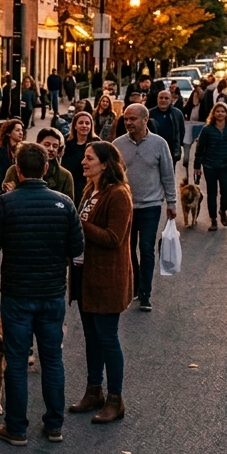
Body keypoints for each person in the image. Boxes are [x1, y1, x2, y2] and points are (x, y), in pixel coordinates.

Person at [0, 143, 84, 446]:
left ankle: (16, 428)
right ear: (45, 168)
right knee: (52, 359)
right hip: (52, 292)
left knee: (16, 360)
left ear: (16, 168)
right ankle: (54, 425)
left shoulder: (5, 203)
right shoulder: (65, 203)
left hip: (17, 293)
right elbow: (77, 249)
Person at [69, 141, 133, 425]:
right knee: (92, 338)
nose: (84, 162)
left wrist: (77, 224)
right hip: (85, 275)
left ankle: (115, 400)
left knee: (107, 338)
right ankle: (93, 390)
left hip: (107, 277)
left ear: (105, 164)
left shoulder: (117, 195)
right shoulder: (89, 191)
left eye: (89, 158)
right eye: (84, 158)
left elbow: (113, 238)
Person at [113, 104, 177, 312]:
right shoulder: (117, 144)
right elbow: (112, 176)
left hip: (150, 206)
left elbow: (167, 174)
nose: (128, 123)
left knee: (147, 249)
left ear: (144, 120)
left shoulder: (159, 144)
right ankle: (134, 286)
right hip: (125, 206)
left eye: (132, 119)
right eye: (126, 119)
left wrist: (172, 202)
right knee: (128, 249)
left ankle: (146, 293)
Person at [194, 101, 227, 230]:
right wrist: (197, 166)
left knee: (226, 192)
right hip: (210, 165)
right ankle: (213, 219)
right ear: (213, 113)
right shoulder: (207, 129)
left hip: (226, 164)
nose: (220, 113)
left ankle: (223, 210)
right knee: (212, 192)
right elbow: (200, 148)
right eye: (218, 111)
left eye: (223, 111)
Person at [2, 128, 74, 199]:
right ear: (38, 144)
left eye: (55, 146)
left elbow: (68, 203)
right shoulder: (16, 170)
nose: (51, 149)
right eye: (47, 144)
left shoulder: (65, 176)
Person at [60, 112, 97, 205]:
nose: (84, 126)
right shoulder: (66, 142)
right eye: (81, 123)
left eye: (87, 123)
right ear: (75, 126)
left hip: (88, 185)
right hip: (69, 184)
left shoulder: (96, 143)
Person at [148, 89, 185, 167]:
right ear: (157, 99)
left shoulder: (177, 114)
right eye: (161, 98)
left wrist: (178, 147)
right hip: (154, 150)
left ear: (171, 99)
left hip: (171, 150)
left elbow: (181, 132)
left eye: (166, 98)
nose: (163, 100)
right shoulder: (150, 114)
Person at [0, 118, 23, 199]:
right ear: (8, 133)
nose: (21, 133)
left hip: (19, 189)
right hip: (2, 190)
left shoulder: (23, 149)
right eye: (17, 130)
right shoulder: (0, 151)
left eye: (21, 130)